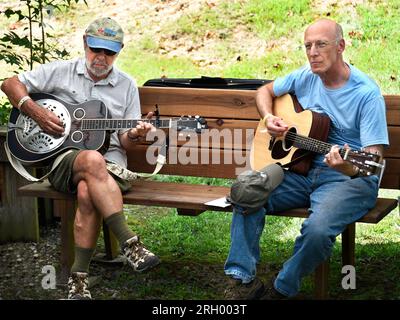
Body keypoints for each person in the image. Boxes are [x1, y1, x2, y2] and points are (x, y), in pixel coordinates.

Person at [223, 18, 389, 299]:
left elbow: (373, 160)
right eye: (308, 46)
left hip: (349, 178)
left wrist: (348, 165)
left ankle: (281, 288)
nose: (312, 52)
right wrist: (268, 117)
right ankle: (242, 281)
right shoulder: (305, 76)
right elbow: (264, 91)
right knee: (246, 194)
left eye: (321, 45)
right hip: (300, 168)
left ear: (341, 47)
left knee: (318, 229)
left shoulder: (366, 94)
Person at [1, 17, 160, 300]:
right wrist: (35, 111)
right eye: (96, 49)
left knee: (88, 190)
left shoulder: (126, 85)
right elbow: (9, 83)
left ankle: (78, 281)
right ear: (85, 43)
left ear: (119, 51)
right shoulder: (61, 72)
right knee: (89, 158)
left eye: (109, 52)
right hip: (64, 161)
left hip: (110, 162)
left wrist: (134, 136)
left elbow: (124, 139)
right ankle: (130, 244)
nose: (101, 57)